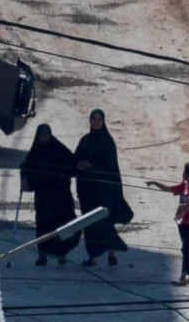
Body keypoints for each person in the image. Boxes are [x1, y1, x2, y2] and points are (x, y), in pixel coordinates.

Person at [74, 110, 132, 266]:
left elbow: (110, 166)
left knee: (105, 221)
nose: (96, 122)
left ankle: (111, 254)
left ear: (103, 121)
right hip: (87, 190)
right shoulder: (85, 140)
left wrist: (91, 166)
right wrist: (79, 164)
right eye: (93, 119)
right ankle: (92, 258)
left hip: (104, 190)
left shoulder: (107, 142)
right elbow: (75, 159)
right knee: (89, 224)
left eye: (99, 119)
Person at [19, 123, 80, 265]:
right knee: (43, 226)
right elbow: (26, 167)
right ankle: (42, 255)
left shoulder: (59, 149)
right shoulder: (35, 152)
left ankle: (61, 254)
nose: (44, 138)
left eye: (46, 135)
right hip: (43, 198)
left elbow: (72, 164)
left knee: (63, 225)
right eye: (41, 135)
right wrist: (25, 178)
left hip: (61, 197)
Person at [147, 161, 189, 285]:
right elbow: (168, 189)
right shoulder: (184, 186)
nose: (183, 174)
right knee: (188, 248)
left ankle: (184, 276)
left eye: (185, 172)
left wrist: (185, 208)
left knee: (186, 248)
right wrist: (155, 183)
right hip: (182, 221)